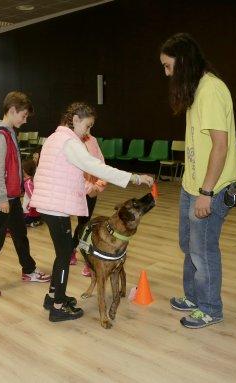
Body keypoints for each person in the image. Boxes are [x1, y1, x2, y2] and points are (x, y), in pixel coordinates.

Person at [30, 102, 153, 322]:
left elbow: (64, 174)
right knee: (64, 255)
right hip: (55, 207)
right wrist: (134, 178)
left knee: (63, 252)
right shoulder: (69, 141)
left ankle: (52, 297)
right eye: (87, 126)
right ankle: (58, 306)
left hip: (50, 205)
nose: (88, 132)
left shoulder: (54, 138)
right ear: (75, 119)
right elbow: (95, 167)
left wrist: (89, 188)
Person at [160, 33, 236, 329]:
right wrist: (189, 185)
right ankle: (194, 297)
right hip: (190, 185)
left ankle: (210, 308)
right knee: (188, 244)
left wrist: (206, 192)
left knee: (203, 250)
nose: (166, 74)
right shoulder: (195, 91)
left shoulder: (212, 90)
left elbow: (221, 145)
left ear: (182, 63)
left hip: (211, 188)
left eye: (168, 67)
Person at [0, 91, 50, 299]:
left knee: (20, 233)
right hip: (1, 199)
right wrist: (2, 199)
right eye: (23, 115)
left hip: (11, 197)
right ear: (12, 111)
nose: (25, 120)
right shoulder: (1, 136)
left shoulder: (9, 131)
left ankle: (28, 270)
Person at [70, 132, 107, 277]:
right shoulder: (71, 141)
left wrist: (98, 186)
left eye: (91, 126)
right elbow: (73, 170)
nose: (89, 129)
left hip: (92, 190)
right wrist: (88, 188)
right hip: (77, 190)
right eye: (87, 125)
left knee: (84, 224)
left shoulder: (93, 140)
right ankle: (85, 258)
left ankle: (73, 250)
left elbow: (101, 164)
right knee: (84, 224)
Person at [21, 158, 41, 227]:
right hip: (34, 210)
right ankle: (35, 220)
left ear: (24, 170)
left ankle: (34, 221)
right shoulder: (32, 180)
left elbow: (33, 198)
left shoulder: (28, 183)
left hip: (29, 211)